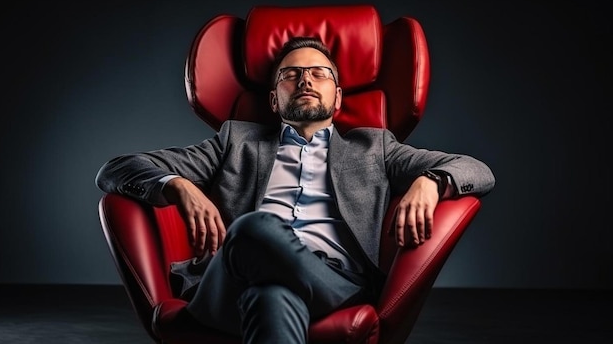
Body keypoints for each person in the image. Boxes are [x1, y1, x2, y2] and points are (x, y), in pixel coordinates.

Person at [95, 36, 495, 344]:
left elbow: (476, 170)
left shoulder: (375, 147)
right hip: (226, 285)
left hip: (333, 282)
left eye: (320, 73)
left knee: (267, 287)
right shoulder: (236, 140)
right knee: (258, 242)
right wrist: (178, 185)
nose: (305, 79)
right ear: (274, 99)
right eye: (290, 74)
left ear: (337, 98)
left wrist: (430, 180)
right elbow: (116, 170)